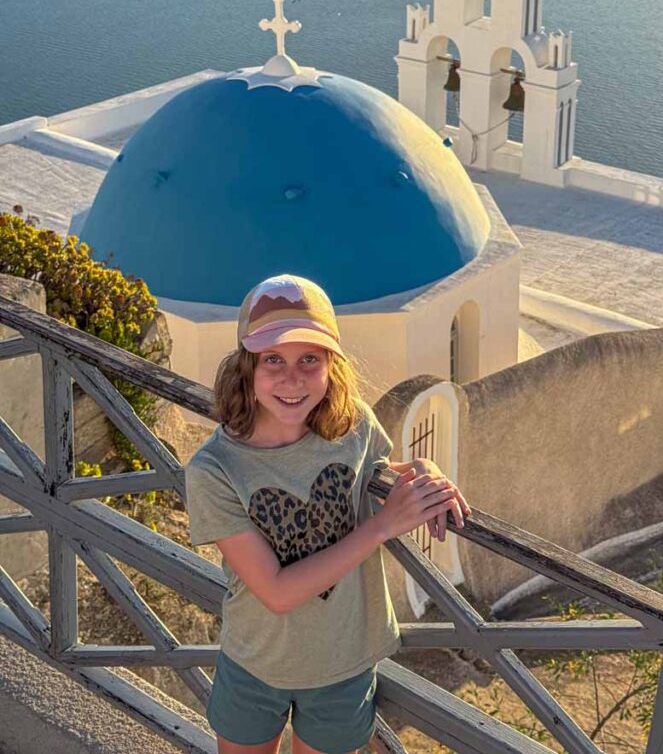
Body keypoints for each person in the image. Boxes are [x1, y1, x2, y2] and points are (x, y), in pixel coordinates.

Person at [185, 273, 471, 754]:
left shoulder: (353, 421)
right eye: (273, 359)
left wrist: (420, 468)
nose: (292, 379)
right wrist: (382, 527)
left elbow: (375, 473)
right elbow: (276, 592)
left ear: (331, 367)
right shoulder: (215, 469)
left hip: (345, 660)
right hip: (256, 660)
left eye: (309, 360)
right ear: (246, 367)